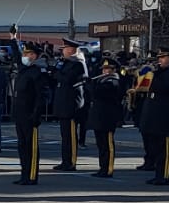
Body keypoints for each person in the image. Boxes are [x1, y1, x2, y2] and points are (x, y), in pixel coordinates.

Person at [139, 47, 169, 186]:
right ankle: (157, 174)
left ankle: (164, 175)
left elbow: (164, 88)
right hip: (153, 111)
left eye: (163, 58)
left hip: (164, 112)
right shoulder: (160, 72)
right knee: (155, 146)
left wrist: (155, 73)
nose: (159, 61)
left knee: (164, 146)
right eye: (159, 58)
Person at [9, 42, 50, 185]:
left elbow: (41, 95)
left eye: (27, 54)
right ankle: (24, 174)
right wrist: (13, 39)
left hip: (30, 114)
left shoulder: (38, 71)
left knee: (30, 147)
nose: (24, 56)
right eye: (24, 54)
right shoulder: (25, 69)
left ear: (34, 56)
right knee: (22, 146)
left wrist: (36, 114)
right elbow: (15, 56)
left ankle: (31, 175)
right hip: (20, 113)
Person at [49, 40, 87, 172]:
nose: (62, 51)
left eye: (64, 49)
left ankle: (71, 161)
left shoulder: (78, 64)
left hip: (71, 104)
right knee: (65, 136)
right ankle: (65, 160)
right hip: (63, 103)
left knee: (70, 136)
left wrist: (57, 73)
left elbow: (68, 79)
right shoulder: (66, 63)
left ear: (71, 50)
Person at [87, 57, 126, 177]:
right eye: (104, 69)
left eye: (108, 69)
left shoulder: (114, 81)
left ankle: (108, 168)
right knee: (101, 144)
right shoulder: (101, 80)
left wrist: (90, 84)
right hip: (99, 115)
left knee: (107, 144)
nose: (105, 72)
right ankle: (102, 167)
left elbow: (100, 93)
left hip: (108, 116)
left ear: (114, 70)